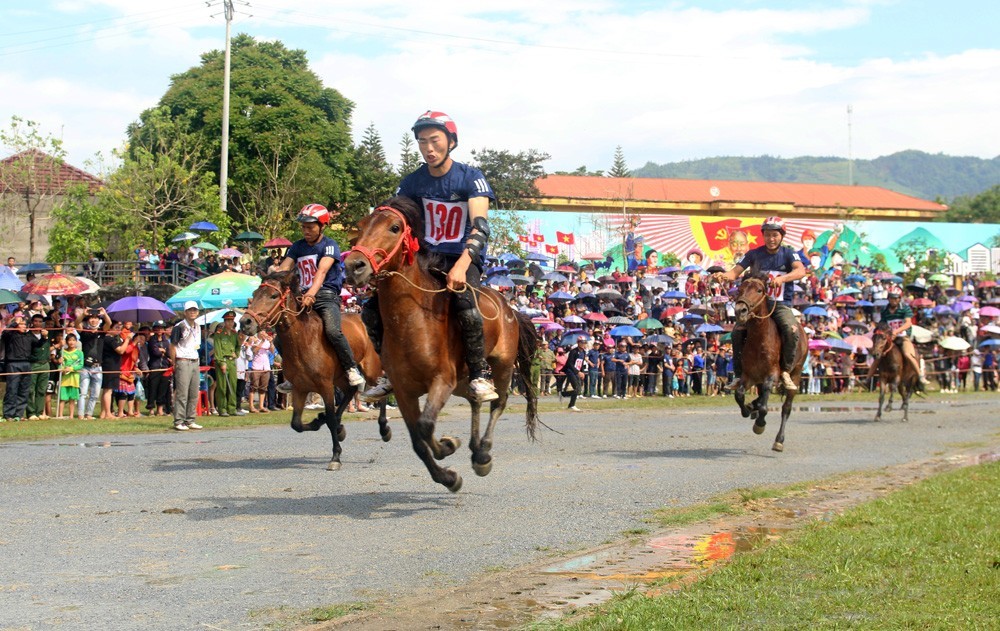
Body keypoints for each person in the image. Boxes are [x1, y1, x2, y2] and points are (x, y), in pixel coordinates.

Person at [362, 110, 499, 403]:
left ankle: (478, 374)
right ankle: (390, 371)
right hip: (424, 258)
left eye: (434, 140)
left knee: (467, 308)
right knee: (371, 309)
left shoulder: (471, 178)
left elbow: (480, 226)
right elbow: (396, 221)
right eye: (422, 142)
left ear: (451, 141)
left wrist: (463, 266)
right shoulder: (412, 183)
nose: (428, 148)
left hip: (461, 257)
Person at [272, 203, 365, 393]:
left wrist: (311, 294)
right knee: (279, 339)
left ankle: (350, 368)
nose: (306, 230)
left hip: (325, 296)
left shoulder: (330, 246)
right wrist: (271, 278)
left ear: (322, 226)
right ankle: (292, 375)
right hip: (302, 298)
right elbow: (284, 268)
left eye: (310, 227)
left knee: (333, 331)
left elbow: (321, 272)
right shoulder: (297, 246)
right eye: (303, 227)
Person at [715, 216, 805, 392]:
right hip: (756, 306)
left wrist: (783, 279)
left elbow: (800, 270)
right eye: (768, 235)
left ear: (781, 236)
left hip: (779, 305)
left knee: (790, 329)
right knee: (736, 334)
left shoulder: (788, 253)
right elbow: (734, 273)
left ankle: (785, 370)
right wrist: (722, 276)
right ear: (763, 236)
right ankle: (740, 375)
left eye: (775, 235)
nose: (771, 239)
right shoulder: (753, 254)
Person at [868, 286, 927, 384]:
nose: (893, 300)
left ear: (899, 298)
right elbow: (883, 324)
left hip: (903, 337)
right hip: (890, 338)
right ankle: (868, 378)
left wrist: (896, 331)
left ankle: (919, 375)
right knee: (878, 354)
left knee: (908, 354)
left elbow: (908, 323)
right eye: (891, 298)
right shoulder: (885, 311)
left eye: (896, 298)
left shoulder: (905, 308)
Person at [168, 301, 203, 431]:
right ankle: (178, 420)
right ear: (185, 312)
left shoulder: (198, 326)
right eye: (190, 310)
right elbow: (172, 345)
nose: (192, 312)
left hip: (194, 360)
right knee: (182, 392)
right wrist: (174, 362)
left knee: (194, 392)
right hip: (182, 360)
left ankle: (190, 419)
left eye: (194, 310)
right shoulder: (180, 326)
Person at [74, 307, 110, 419]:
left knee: (95, 394)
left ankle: (88, 414)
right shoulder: (85, 331)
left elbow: (109, 323)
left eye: (95, 318)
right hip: (85, 367)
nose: (93, 320)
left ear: (99, 320)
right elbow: (76, 323)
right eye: (91, 319)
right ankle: (80, 414)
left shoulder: (102, 332)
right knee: (83, 393)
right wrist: (83, 315)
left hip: (98, 367)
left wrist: (104, 314)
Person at [2, 316, 39, 421]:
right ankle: (9, 414)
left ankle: (19, 414)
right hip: (13, 364)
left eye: (24, 324)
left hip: (26, 364)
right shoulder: (11, 335)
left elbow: (37, 344)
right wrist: (14, 323)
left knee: (24, 390)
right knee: (12, 389)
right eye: (21, 324)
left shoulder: (28, 336)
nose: (23, 326)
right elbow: (5, 333)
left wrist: (44, 338)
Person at [211, 311, 245, 416]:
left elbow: (238, 345)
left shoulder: (234, 334)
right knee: (222, 386)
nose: (230, 323)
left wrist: (237, 353)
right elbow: (218, 349)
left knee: (233, 385)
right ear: (224, 321)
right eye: (228, 321)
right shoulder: (219, 334)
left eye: (232, 321)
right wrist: (221, 363)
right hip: (223, 360)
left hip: (232, 361)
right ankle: (222, 409)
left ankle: (232, 408)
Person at [145, 322, 171, 416]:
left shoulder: (166, 341)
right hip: (154, 366)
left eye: (161, 328)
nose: (159, 330)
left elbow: (169, 353)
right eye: (157, 328)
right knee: (153, 388)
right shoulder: (152, 340)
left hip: (164, 367)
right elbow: (155, 352)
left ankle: (160, 409)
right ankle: (151, 408)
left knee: (163, 389)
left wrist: (163, 351)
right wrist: (162, 351)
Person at [58, 333, 83, 419]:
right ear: (66, 342)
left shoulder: (79, 353)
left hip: (74, 378)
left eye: (73, 340)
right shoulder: (62, 352)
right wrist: (61, 366)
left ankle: (71, 415)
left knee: (72, 398)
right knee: (62, 397)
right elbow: (60, 366)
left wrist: (71, 368)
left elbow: (80, 365)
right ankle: (60, 415)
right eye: (69, 340)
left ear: (76, 342)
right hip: (64, 378)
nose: (71, 342)